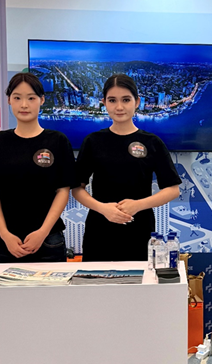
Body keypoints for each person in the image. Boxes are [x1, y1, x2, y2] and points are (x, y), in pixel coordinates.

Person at [73, 74, 181, 261]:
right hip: (100, 229)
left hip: (139, 229)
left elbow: (172, 190)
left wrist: (138, 205)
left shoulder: (152, 142)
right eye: (112, 100)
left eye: (126, 100)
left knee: (140, 279)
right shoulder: (93, 141)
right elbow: (77, 188)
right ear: (104, 103)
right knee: (96, 279)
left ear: (137, 102)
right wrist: (103, 209)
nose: (119, 107)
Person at [0, 72, 77, 263]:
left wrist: (42, 232)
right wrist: (5, 234)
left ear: (42, 100)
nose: (24, 105)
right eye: (17, 98)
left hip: (49, 240)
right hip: (6, 243)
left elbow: (63, 191)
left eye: (31, 98)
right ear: (9, 100)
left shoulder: (57, 141)